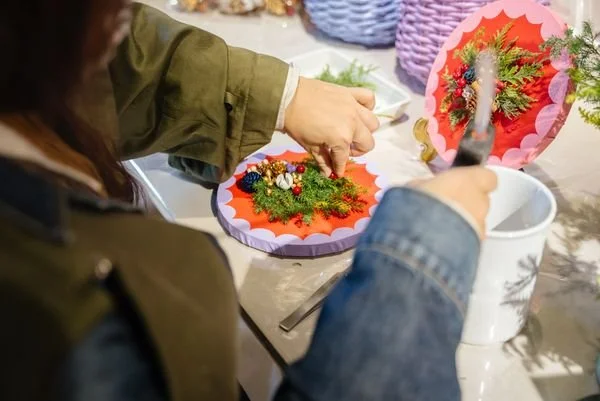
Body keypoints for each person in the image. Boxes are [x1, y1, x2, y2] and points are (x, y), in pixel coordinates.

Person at [0, 1, 497, 400]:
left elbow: (125, 62)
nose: (127, 15)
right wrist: (417, 261)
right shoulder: (72, 314)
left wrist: (278, 95)